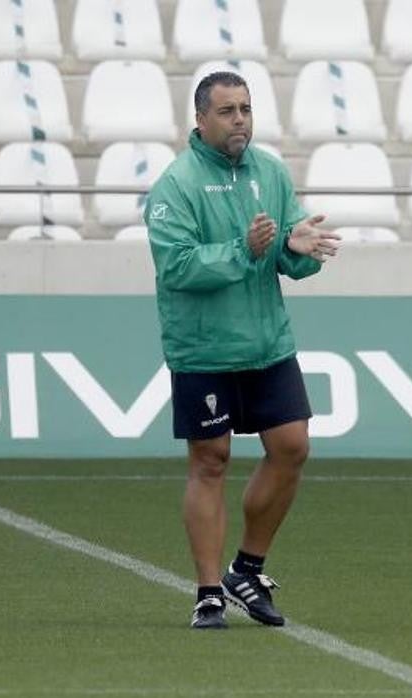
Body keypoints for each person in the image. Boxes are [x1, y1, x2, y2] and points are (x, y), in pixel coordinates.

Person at [144, 71, 340, 630]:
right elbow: (177, 267)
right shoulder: (176, 185)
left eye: (246, 110)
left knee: (293, 446)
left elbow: (287, 252)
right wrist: (244, 247)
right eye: (227, 111)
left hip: (267, 341)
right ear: (201, 120)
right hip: (204, 348)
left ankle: (246, 569)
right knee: (211, 461)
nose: (240, 121)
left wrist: (299, 250)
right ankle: (209, 592)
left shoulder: (270, 173)